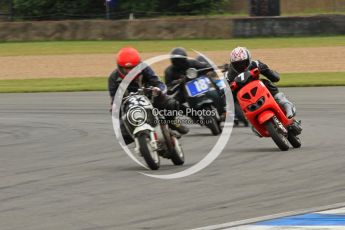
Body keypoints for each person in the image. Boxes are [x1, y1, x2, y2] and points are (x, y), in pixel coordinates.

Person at [108, 47, 189, 143]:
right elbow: (114, 98)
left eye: (132, 68)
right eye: (126, 69)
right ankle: (141, 138)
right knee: (122, 135)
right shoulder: (113, 78)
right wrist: (115, 107)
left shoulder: (144, 68)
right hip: (129, 103)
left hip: (148, 95)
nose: (129, 71)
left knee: (171, 104)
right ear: (120, 67)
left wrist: (158, 90)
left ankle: (172, 121)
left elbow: (158, 82)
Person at [227, 47, 296, 119]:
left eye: (243, 63)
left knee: (264, 82)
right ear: (232, 64)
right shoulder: (229, 75)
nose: (241, 66)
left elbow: (274, 77)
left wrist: (271, 74)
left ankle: (285, 104)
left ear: (249, 60)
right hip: (245, 99)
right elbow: (227, 95)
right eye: (237, 64)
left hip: (260, 89)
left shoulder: (255, 64)